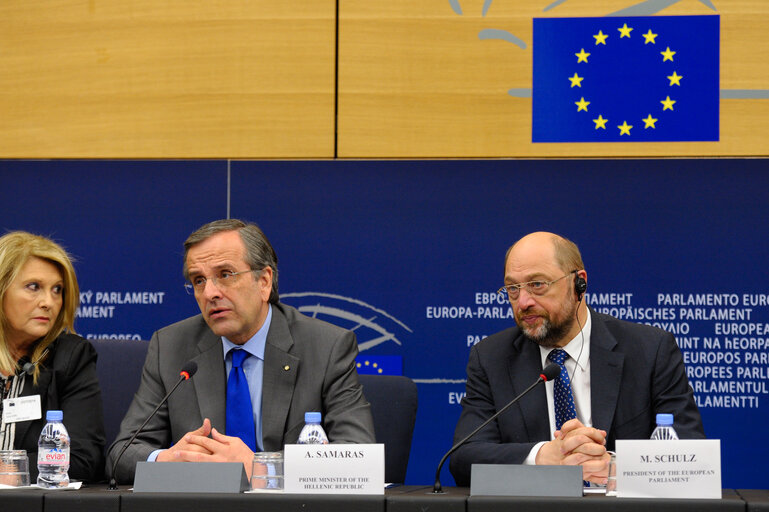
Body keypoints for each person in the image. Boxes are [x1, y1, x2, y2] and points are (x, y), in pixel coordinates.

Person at [107, 219, 375, 483]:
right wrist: (167, 460)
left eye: (225, 274)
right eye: (198, 280)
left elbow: (358, 457)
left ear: (264, 282)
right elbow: (122, 455)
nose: (210, 292)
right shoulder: (170, 347)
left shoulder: (326, 347)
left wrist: (261, 468)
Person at [449, 231, 704, 487]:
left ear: (578, 283)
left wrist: (615, 469)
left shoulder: (650, 350)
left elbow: (690, 455)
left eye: (537, 284)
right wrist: (542, 456)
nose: (523, 302)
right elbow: (464, 458)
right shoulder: (492, 357)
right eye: (513, 288)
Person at [0, 231, 105, 482]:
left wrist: (12, 472)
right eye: (33, 287)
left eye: (57, 290)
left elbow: (83, 458)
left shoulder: (71, 357)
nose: (49, 302)